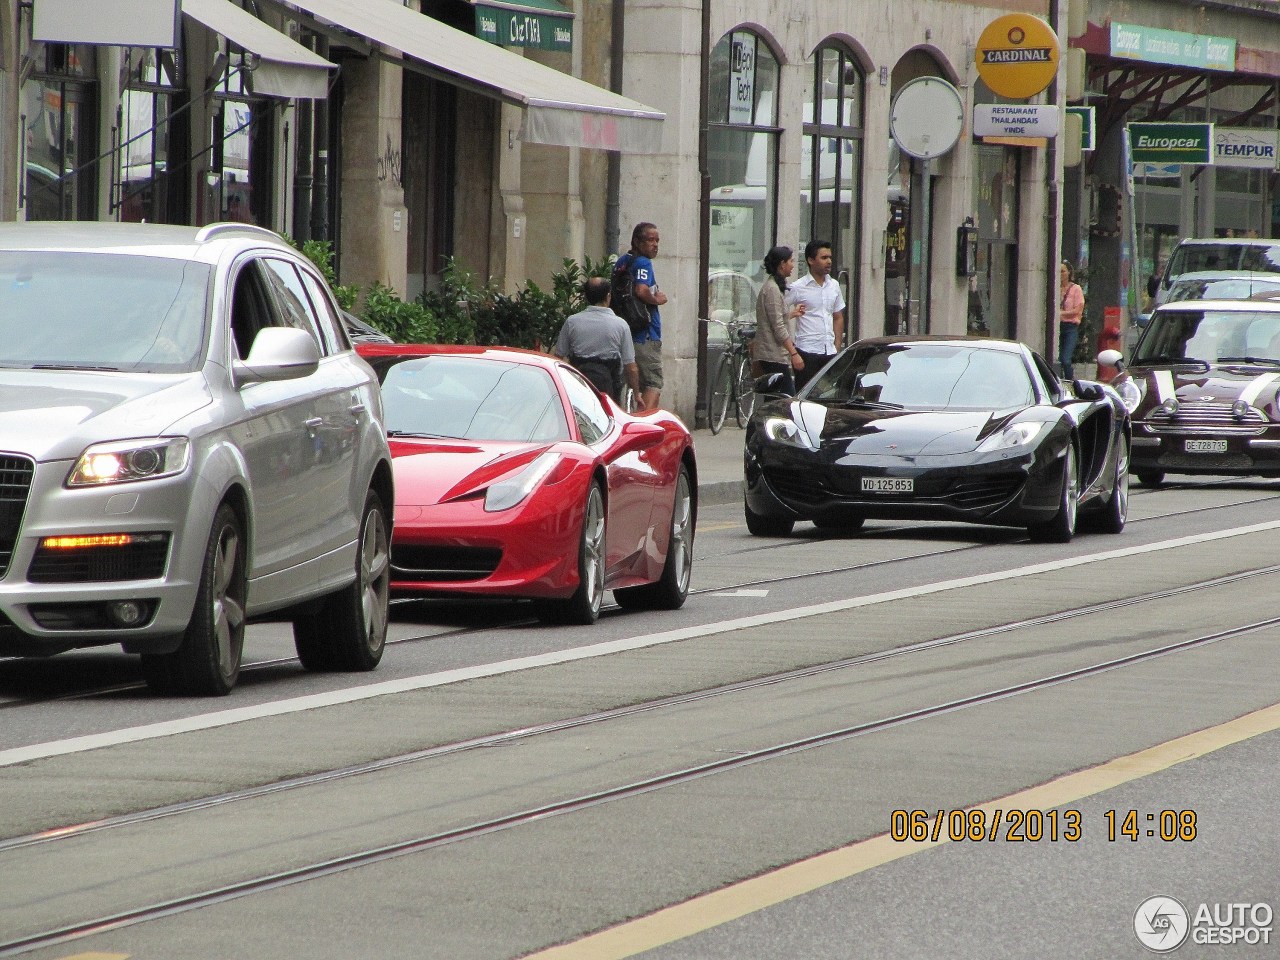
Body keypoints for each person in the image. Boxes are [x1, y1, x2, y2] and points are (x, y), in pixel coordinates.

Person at [553, 276, 640, 404]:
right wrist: (636, 394)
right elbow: (631, 367)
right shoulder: (620, 325)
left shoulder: (572, 322)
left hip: (578, 385)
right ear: (608, 296)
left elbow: (557, 358)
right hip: (609, 390)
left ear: (587, 297)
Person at [616, 222, 668, 411]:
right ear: (637, 241)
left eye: (657, 240)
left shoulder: (622, 262)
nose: (655, 244)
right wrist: (657, 299)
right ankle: (643, 427)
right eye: (650, 240)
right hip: (645, 334)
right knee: (653, 383)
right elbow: (641, 290)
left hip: (624, 331)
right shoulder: (643, 262)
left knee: (625, 383)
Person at [786, 239, 846, 389]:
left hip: (829, 352)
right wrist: (791, 314)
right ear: (811, 260)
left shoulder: (834, 285)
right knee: (805, 397)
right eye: (824, 258)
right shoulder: (798, 287)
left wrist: (837, 347)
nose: (829, 262)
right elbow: (778, 313)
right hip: (807, 351)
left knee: (829, 395)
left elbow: (838, 317)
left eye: (830, 257)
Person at [752, 245, 806, 392]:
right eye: (791, 261)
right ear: (782, 264)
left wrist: (792, 314)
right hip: (772, 354)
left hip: (774, 354)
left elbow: (774, 319)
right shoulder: (772, 290)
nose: (793, 265)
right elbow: (778, 326)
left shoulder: (774, 287)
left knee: (774, 398)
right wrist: (794, 353)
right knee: (786, 398)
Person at [1059, 260, 1085, 379]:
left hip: (1070, 327)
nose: (1061, 274)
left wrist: (1061, 314)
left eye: (1063, 271)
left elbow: (1077, 311)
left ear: (1069, 273)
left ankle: (1070, 382)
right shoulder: (1056, 288)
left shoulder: (1076, 289)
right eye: (1058, 272)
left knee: (1065, 359)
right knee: (1055, 359)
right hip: (1057, 327)